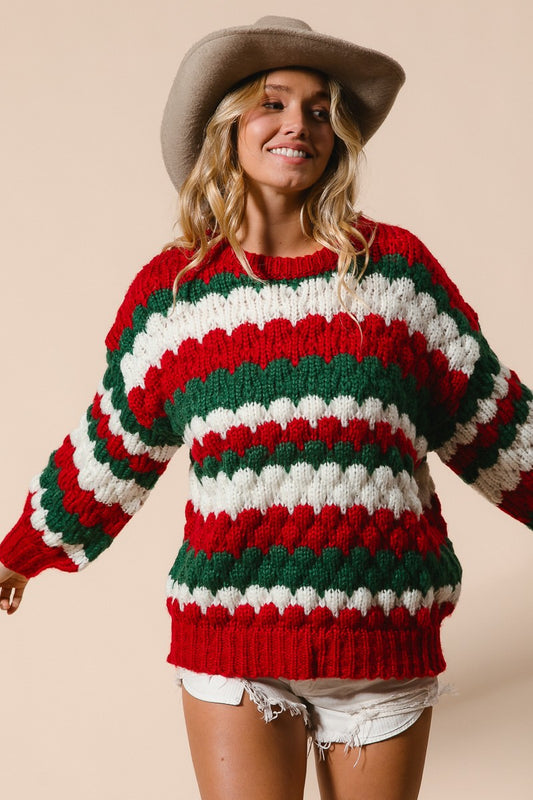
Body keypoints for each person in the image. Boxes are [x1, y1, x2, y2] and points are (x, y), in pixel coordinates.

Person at [0, 15, 531, 800]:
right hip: (230, 635)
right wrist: (20, 552)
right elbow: (112, 447)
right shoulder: (174, 295)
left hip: (380, 633)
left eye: (319, 110)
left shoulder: (395, 274)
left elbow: (497, 425)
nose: (298, 126)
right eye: (272, 103)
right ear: (227, 127)